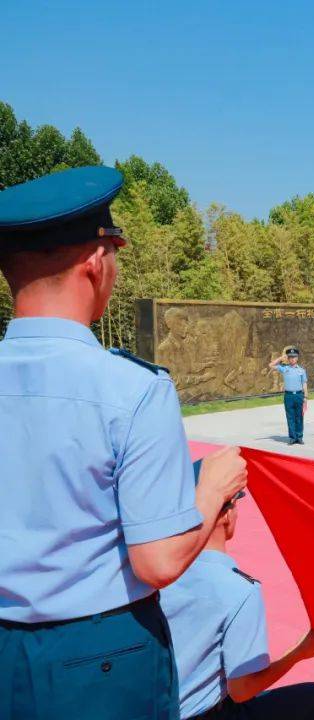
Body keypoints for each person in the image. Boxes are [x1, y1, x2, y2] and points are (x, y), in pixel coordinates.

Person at [0, 166, 248, 719]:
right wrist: (212, 490)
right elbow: (158, 560)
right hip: (99, 659)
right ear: (95, 260)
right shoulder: (132, 389)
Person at [161, 489, 314, 720]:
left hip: (153, 707)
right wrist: (299, 653)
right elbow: (242, 690)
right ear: (226, 516)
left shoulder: (158, 572)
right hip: (203, 714)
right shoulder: (239, 590)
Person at [268, 347, 308, 444]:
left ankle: (299, 437)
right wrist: (281, 358)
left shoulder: (301, 370)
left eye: (294, 357)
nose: (292, 359)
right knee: (290, 417)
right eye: (290, 357)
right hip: (288, 396)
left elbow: (304, 384)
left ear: (297, 358)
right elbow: (271, 365)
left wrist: (305, 397)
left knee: (299, 417)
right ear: (288, 358)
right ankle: (292, 437)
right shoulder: (284, 368)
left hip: (299, 395)